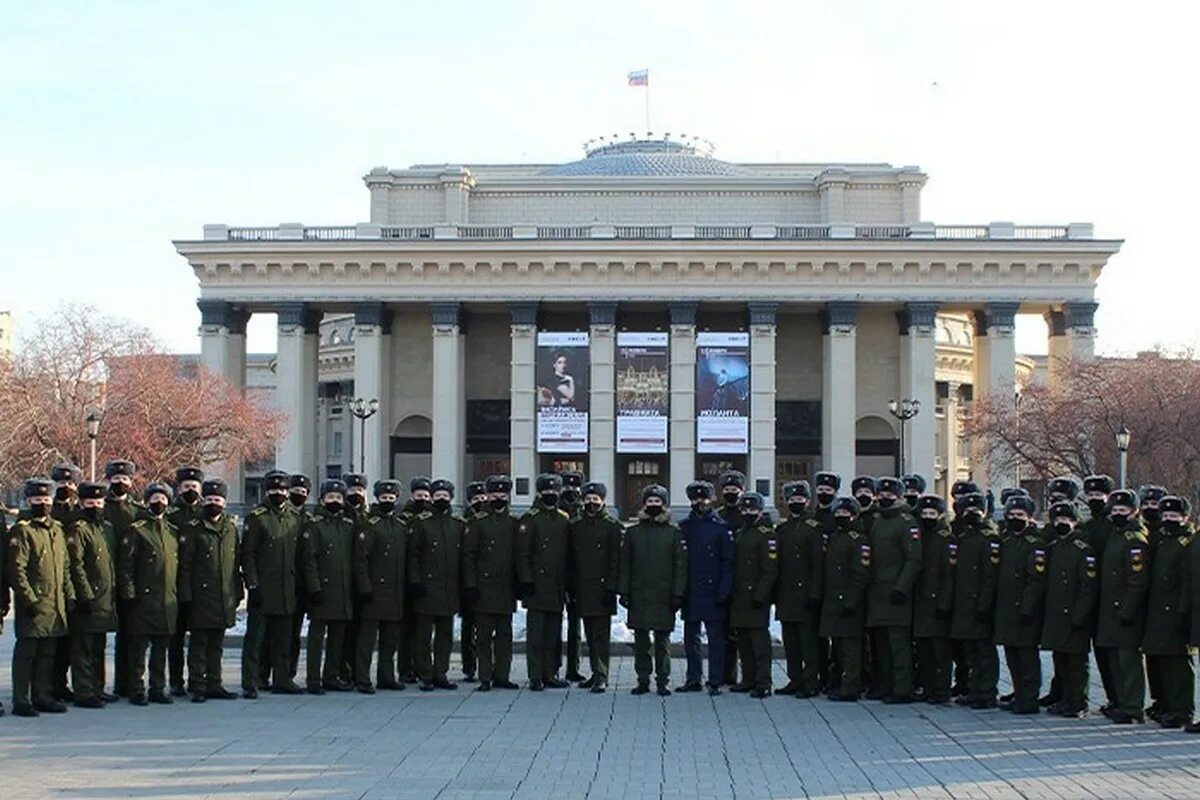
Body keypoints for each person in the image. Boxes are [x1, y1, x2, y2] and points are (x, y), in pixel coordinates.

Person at [8, 478, 74, 717]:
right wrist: (29, 599)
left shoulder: (56, 529)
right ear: (28, 501)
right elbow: (16, 570)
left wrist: (69, 595)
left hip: (55, 603)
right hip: (34, 604)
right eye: (38, 500)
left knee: (48, 653)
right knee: (27, 653)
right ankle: (21, 699)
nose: (43, 504)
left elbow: (64, 566)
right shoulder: (23, 531)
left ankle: (42, 695)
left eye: (46, 500)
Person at [240, 470, 305, 698]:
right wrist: (253, 585)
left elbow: (301, 556)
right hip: (264, 588)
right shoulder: (257, 518)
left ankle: (282, 679)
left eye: (282, 490)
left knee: (284, 639)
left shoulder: (295, 519)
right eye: (274, 490)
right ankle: (251, 681)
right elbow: (247, 555)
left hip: (287, 588)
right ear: (267, 491)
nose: (278, 493)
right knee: (255, 639)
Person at [619, 484, 687, 696]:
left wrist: (678, 593)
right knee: (640, 641)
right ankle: (643, 679)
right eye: (650, 502)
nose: (653, 505)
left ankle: (663, 680)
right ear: (644, 504)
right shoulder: (633, 533)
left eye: (657, 502)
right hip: (639, 594)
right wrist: (624, 592)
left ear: (664, 505)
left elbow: (680, 566)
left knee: (662, 642)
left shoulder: (673, 534)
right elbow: (625, 564)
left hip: (664, 595)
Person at [177, 478, 241, 703]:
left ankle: (215, 684)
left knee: (216, 645)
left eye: (218, 500)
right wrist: (185, 594)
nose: (214, 503)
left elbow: (235, 563)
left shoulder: (230, 529)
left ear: (224, 503)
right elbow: (185, 565)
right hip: (200, 596)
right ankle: (198, 685)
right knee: (199, 644)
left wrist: (238, 591)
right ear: (204, 500)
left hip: (223, 596)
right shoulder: (193, 528)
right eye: (211, 499)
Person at [119, 482, 180, 706]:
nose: (159, 502)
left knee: (160, 650)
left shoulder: (172, 532)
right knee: (138, 650)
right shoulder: (137, 530)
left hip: (167, 600)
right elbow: (126, 565)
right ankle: (136, 689)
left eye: (163, 499)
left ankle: (157, 688)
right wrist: (129, 593)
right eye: (154, 499)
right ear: (147, 501)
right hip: (143, 600)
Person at [864, 476, 923, 704]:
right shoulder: (879, 521)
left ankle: (902, 688)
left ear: (899, 497)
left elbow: (914, 559)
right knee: (880, 646)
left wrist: (902, 588)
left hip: (897, 594)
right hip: (877, 592)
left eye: (890, 495)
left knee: (898, 645)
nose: (885, 498)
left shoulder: (906, 522)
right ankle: (884, 685)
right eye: (882, 494)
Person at [1094, 489, 1150, 724]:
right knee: (1115, 660)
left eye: (1122, 511)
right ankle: (1120, 701)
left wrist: (1128, 611)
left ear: (1134, 512)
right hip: (1109, 610)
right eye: (1114, 510)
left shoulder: (1134, 539)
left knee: (1128, 662)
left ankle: (1133, 706)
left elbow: (1137, 581)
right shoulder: (1115, 535)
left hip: (1126, 611)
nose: (1117, 514)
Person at [1039, 502, 1098, 718]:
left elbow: (1088, 586)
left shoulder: (1083, 550)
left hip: (1075, 615)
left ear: (1075, 522)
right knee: (1060, 660)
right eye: (1058, 520)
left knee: (1076, 662)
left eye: (1067, 520)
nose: (1062, 523)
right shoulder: (1053, 548)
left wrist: (1080, 615)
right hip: (1056, 615)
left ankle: (1078, 702)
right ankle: (1065, 699)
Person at [462, 475, 520, 692]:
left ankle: (502, 675)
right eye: (495, 495)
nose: (499, 499)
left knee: (504, 636)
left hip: (506, 588)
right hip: (483, 588)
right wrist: (471, 585)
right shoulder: (477, 523)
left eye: (503, 496)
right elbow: (469, 556)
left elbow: (519, 555)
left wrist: (520, 583)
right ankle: (484, 676)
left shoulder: (513, 523)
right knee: (484, 636)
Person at [65, 481, 118, 709]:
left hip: (105, 598)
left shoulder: (105, 528)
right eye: (90, 502)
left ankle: (98, 688)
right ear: (82, 503)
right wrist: (84, 595)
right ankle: (84, 691)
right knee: (83, 648)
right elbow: (75, 565)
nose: (95, 506)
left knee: (98, 645)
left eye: (98, 502)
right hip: (88, 598)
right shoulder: (79, 529)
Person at [1140, 495, 1193, 728]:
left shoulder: (1186, 543)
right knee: (1158, 658)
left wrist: (1182, 611)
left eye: (1175, 516)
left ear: (1185, 518)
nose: (1169, 520)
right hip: (1157, 609)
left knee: (1177, 663)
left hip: (1174, 610)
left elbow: (1186, 581)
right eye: (1167, 516)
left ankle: (1181, 710)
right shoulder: (1162, 540)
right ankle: (1165, 704)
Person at [408, 478, 465, 691]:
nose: (442, 499)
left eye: (445, 496)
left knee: (445, 635)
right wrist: (415, 581)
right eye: (438, 495)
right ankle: (425, 674)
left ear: (451, 498)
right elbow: (413, 555)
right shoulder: (421, 524)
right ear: (431, 497)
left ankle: (441, 672)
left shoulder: (457, 525)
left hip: (449, 588)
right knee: (423, 636)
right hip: (427, 587)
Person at [678, 480, 734, 696]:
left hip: (714, 590)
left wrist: (725, 589)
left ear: (711, 500)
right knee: (691, 639)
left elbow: (728, 562)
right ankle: (693, 679)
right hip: (690, 589)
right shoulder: (684, 527)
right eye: (695, 498)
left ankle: (716, 680)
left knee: (716, 640)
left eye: (703, 498)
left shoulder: (721, 528)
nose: (698, 502)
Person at [566, 480, 623, 693]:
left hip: (602, 589)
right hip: (582, 588)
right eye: (588, 499)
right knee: (589, 634)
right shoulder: (576, 526)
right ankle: (594, 672)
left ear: (603, 501)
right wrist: (570, 587)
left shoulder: (612, 526)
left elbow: (615, 560)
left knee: (601, 636)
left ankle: (602, 675)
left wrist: (611, 587)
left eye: (595, 499)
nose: (591, 503)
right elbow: (571, 559)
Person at [992, 494, 1046, 714]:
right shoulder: (1006, 540)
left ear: (1030, 518)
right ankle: (1019, 692)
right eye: (1012, 515)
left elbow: (1036, 579)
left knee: (1027, 656)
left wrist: (1027, 607)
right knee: (1012, 654)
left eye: (1020, 515)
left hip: (1025, 609)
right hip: (1006, 608)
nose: (1015, 519)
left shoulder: (1035, 544)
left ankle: (1030, 697)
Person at [353, 480, 409, 693]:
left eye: (391, 498)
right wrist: (364, 586)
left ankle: (386, 676)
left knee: (390, 639)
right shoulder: (370, 525)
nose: (388, 501)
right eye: (384, 498)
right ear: (377, 498)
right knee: (367, 639)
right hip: (374, 591)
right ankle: (362, 678)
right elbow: (361, 559)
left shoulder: (400, 526)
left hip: (395, 591)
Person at [516, 473, 571, 690]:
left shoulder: (563, 519)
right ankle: (535, 676)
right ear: (539, 493)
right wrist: (526, 581)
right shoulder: (530, 519)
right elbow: (522, 554)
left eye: (554, 492)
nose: (551, 495)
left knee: (553, 635)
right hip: (537, 585)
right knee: (536, 635)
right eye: (546, 492)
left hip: (557, 586)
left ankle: (551, 673)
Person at [302, 479, 355, 693]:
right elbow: (309, 560)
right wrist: (314, 587)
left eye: (339, 498)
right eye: (331, 497)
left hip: (342, 591)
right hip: (321, 591)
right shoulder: (314, 526)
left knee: (337, 638)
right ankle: (313, 679)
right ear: (322, 500)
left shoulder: (348, 526)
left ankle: (331, 676)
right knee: (316, 639)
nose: (335, 501)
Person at [949, 491, 1001, 709]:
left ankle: (987, 691)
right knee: (970, 651)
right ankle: (975, 688)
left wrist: (984, 604)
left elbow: (990, 576)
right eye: (967, 511)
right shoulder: (963, 538)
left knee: (984, 651)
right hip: (963, 604)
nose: (972, 514)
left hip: (980, 603)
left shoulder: (989, 539)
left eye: (976, 510)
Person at [772, 481, 823, 698]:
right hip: (786, 595)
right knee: (791, 643)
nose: (795, 503)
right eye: (792, 500)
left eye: (800, 500)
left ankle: (811, 682)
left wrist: (814, 594)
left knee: (808, 643)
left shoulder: (814, 529)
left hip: (806, 595)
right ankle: (795, 679)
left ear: (808, 501)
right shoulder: (782, 529)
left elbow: (818, 565)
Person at [819, 497, 870, 701]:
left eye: (845, 513)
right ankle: (839, 681)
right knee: (838, 645)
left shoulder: (859, 540)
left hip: (850, 601)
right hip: (833, 600)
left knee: (851, 647)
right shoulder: (835, 537)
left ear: (854, 515)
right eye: (838, 513)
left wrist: (851, 600)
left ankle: (851, 686)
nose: (841, 516)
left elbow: (861, 572)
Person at [729, 492, 778, 699]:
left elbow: (771, 569)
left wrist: (761, 594)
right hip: (740, 596)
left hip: (756, 597)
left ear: (760, 511)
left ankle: (763, 682)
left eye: (752, 510)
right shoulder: (742, 533)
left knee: (760, 644)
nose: (748, 513)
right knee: (744, 643)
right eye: (745, 510)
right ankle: (747, 679)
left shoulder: (767, 534)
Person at [103, 459, 142, 699]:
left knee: (130, 634)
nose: (120, 483)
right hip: (105, 579)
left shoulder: (137, 510)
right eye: (116, 480)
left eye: (124, 480)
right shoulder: (100, 507)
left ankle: (127, 683)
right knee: (95, 637)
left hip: (131, 579)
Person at [1078, 474, 1117, 713]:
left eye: (1098, 495)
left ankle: (1118, 697)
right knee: (1098, 653)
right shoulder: (1087, 526)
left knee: (1110, 653)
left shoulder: (1114, 525)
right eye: (1090, 495)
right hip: (1089, 595)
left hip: (1108, 597)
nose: (1094, 499)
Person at [911, 494, 956, 705]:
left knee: (941, 651)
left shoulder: (946, 539)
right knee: (924, 650)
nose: (928, 517)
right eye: (925, 513)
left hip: (937, 602)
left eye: (932, 513)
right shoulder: (918, 536)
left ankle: (942, 689)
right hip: (920, 602)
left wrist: (945, 603)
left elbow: (950, 575)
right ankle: (928, 687)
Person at [166, 465, 205, 698]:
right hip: (175, 583)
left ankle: (198, 680)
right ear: (179, 488)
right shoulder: (171, 516)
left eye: (194, 486)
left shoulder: (204, 513)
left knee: (199, 637)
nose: (190, 490)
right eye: (186, 486)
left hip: (199, 585)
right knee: (176, 637)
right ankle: (176, 681)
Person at [397, 477, 432, 684]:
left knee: (423, 630)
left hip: (424, 581)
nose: (423, 499)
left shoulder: (430, 518)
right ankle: (405, 668)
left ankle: (421, 666)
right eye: (419, 495)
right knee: (407, 629)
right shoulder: (405, 518)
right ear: (412, 496)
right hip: (406, 580)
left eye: (426, 496)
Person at [339, 473, 370, 685]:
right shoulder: (342, 517)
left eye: (359, 491)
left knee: (361, 631)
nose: (355, 494)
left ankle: (359, 673)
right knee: (345, 633)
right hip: (344, 582)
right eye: (351, 491)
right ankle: (344, 671)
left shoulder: (369, 517)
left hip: (365, 584)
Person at [716, 469, 745, 686]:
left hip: (744, 582)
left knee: (742, 633)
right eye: (727, 490)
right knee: (723, 631)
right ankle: (727, 674)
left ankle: (748, 676)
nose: (731, 493)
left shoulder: (749, 515)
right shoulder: (717, 516)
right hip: (721, 581)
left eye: (734, 490)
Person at [557, 470, 586, 683]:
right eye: (567, 488)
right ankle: (554, 667)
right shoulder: (555, 511)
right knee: (554, 625)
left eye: (575, 488)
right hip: (556, 574)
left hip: (577, 576)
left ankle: (573, 668)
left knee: (575, 626)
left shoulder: (584, 512)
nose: (572, 492)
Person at [458, 480, 488, 683]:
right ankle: (469, 665)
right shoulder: (463, 523)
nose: (480, 502)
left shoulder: (487, 521)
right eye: (476, 499)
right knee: (469, 626)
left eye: (483, 498)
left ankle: (486, 663)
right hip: (467, 582)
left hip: (486, 581)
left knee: (485, 626)